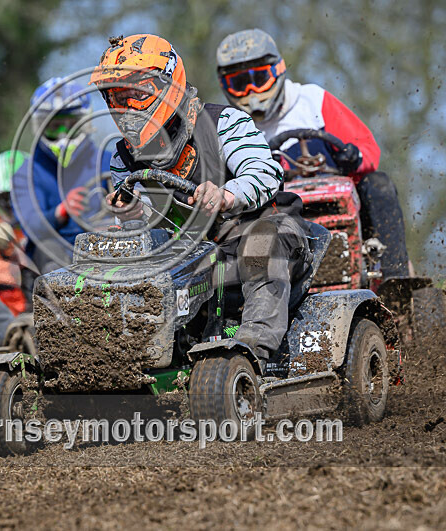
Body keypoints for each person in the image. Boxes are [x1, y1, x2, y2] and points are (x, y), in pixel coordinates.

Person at [92, 34, 312, 362]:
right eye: (116, 98)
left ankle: (252, 350)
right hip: (194, 261)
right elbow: (148, 231)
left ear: (166, 86)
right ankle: (122, 360)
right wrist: (132, 216)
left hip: (260, 243)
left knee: (262, 240)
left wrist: (227, 194)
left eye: (135, 96)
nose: (124, 110)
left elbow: (265, 172)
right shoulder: (123, 159)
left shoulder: (223, 122)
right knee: (108, 253)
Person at [216, 28, 410, 279]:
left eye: (259, 78)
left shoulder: (313, 100)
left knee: (379, 184)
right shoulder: (234, 128)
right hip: (278, 212)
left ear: (277, 70)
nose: (252, 90)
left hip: (340, 198)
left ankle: (396, 280)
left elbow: (369, 150)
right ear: (225, 86)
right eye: (240, 84)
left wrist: (353, 157)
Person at [11, 77, 112, 274]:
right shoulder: (26, 173)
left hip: (103, 250)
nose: (63, 134)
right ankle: (59, 304)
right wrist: (60, 212)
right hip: (51, 261)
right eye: (54, 126)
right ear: (40, 126)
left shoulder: (109, 161)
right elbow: (29, 225)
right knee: (48, 249)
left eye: (71, 125)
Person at [0, 150, 31, 315]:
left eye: (18, 198)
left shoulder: (44, 220)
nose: (12, 206)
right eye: (5, 198)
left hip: (34, 307)